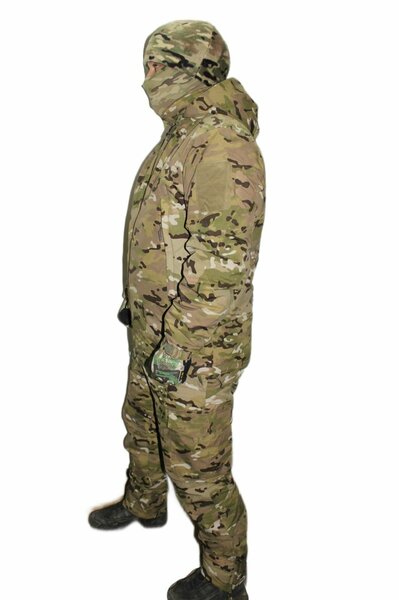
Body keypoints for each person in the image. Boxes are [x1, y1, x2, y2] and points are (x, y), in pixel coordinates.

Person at [88, 19, 266, 600]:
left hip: (195, 348)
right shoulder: (180, 136)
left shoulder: (221, 144)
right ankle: (145, 503)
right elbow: (162, 237)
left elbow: (222, 265)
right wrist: (137, 309)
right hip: (156, 327)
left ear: (189, 68)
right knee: (140, 420)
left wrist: (181, 348)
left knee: (200, 465)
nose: (147, 78)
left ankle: (225, 579)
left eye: (157, 65)